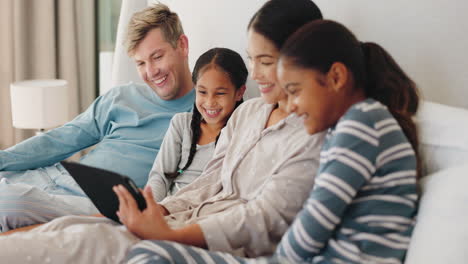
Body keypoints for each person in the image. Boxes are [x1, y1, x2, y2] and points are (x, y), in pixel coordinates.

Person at [0, 0, 325, 263]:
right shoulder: (251, 114)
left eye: (265, 61)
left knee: (55, 229)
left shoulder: (309, 133)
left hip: (190, 232)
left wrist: (167, 229)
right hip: (163, 216)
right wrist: (162, 211)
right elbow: (209, 181)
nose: (255, 73)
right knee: (61, 228)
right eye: (252, 60)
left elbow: (261, 218)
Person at [124, 19, 421, 264]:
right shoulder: (358, 125)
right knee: (150, 252)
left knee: (153, 255)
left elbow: (312, 226)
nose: (290, 106)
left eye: (295, 90)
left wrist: (171, 236)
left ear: (336, 77)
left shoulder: (361, 124)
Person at [0, 3, 194, 232]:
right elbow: (59, 140)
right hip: (48, 179)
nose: (151, 72)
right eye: (141, 63)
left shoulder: (203, 115)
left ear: (182, 46)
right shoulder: (121, 97)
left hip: (88, 204)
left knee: (6, 203)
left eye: (157, 57)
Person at [149, 47, 246, 202]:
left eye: (220, 93)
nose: (209, 102)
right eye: (202, 92)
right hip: (165, 209)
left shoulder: (241, 133)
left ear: (239, 93)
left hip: (202, 214)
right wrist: (151, 207)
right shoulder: (181, 124)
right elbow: (159, 177)